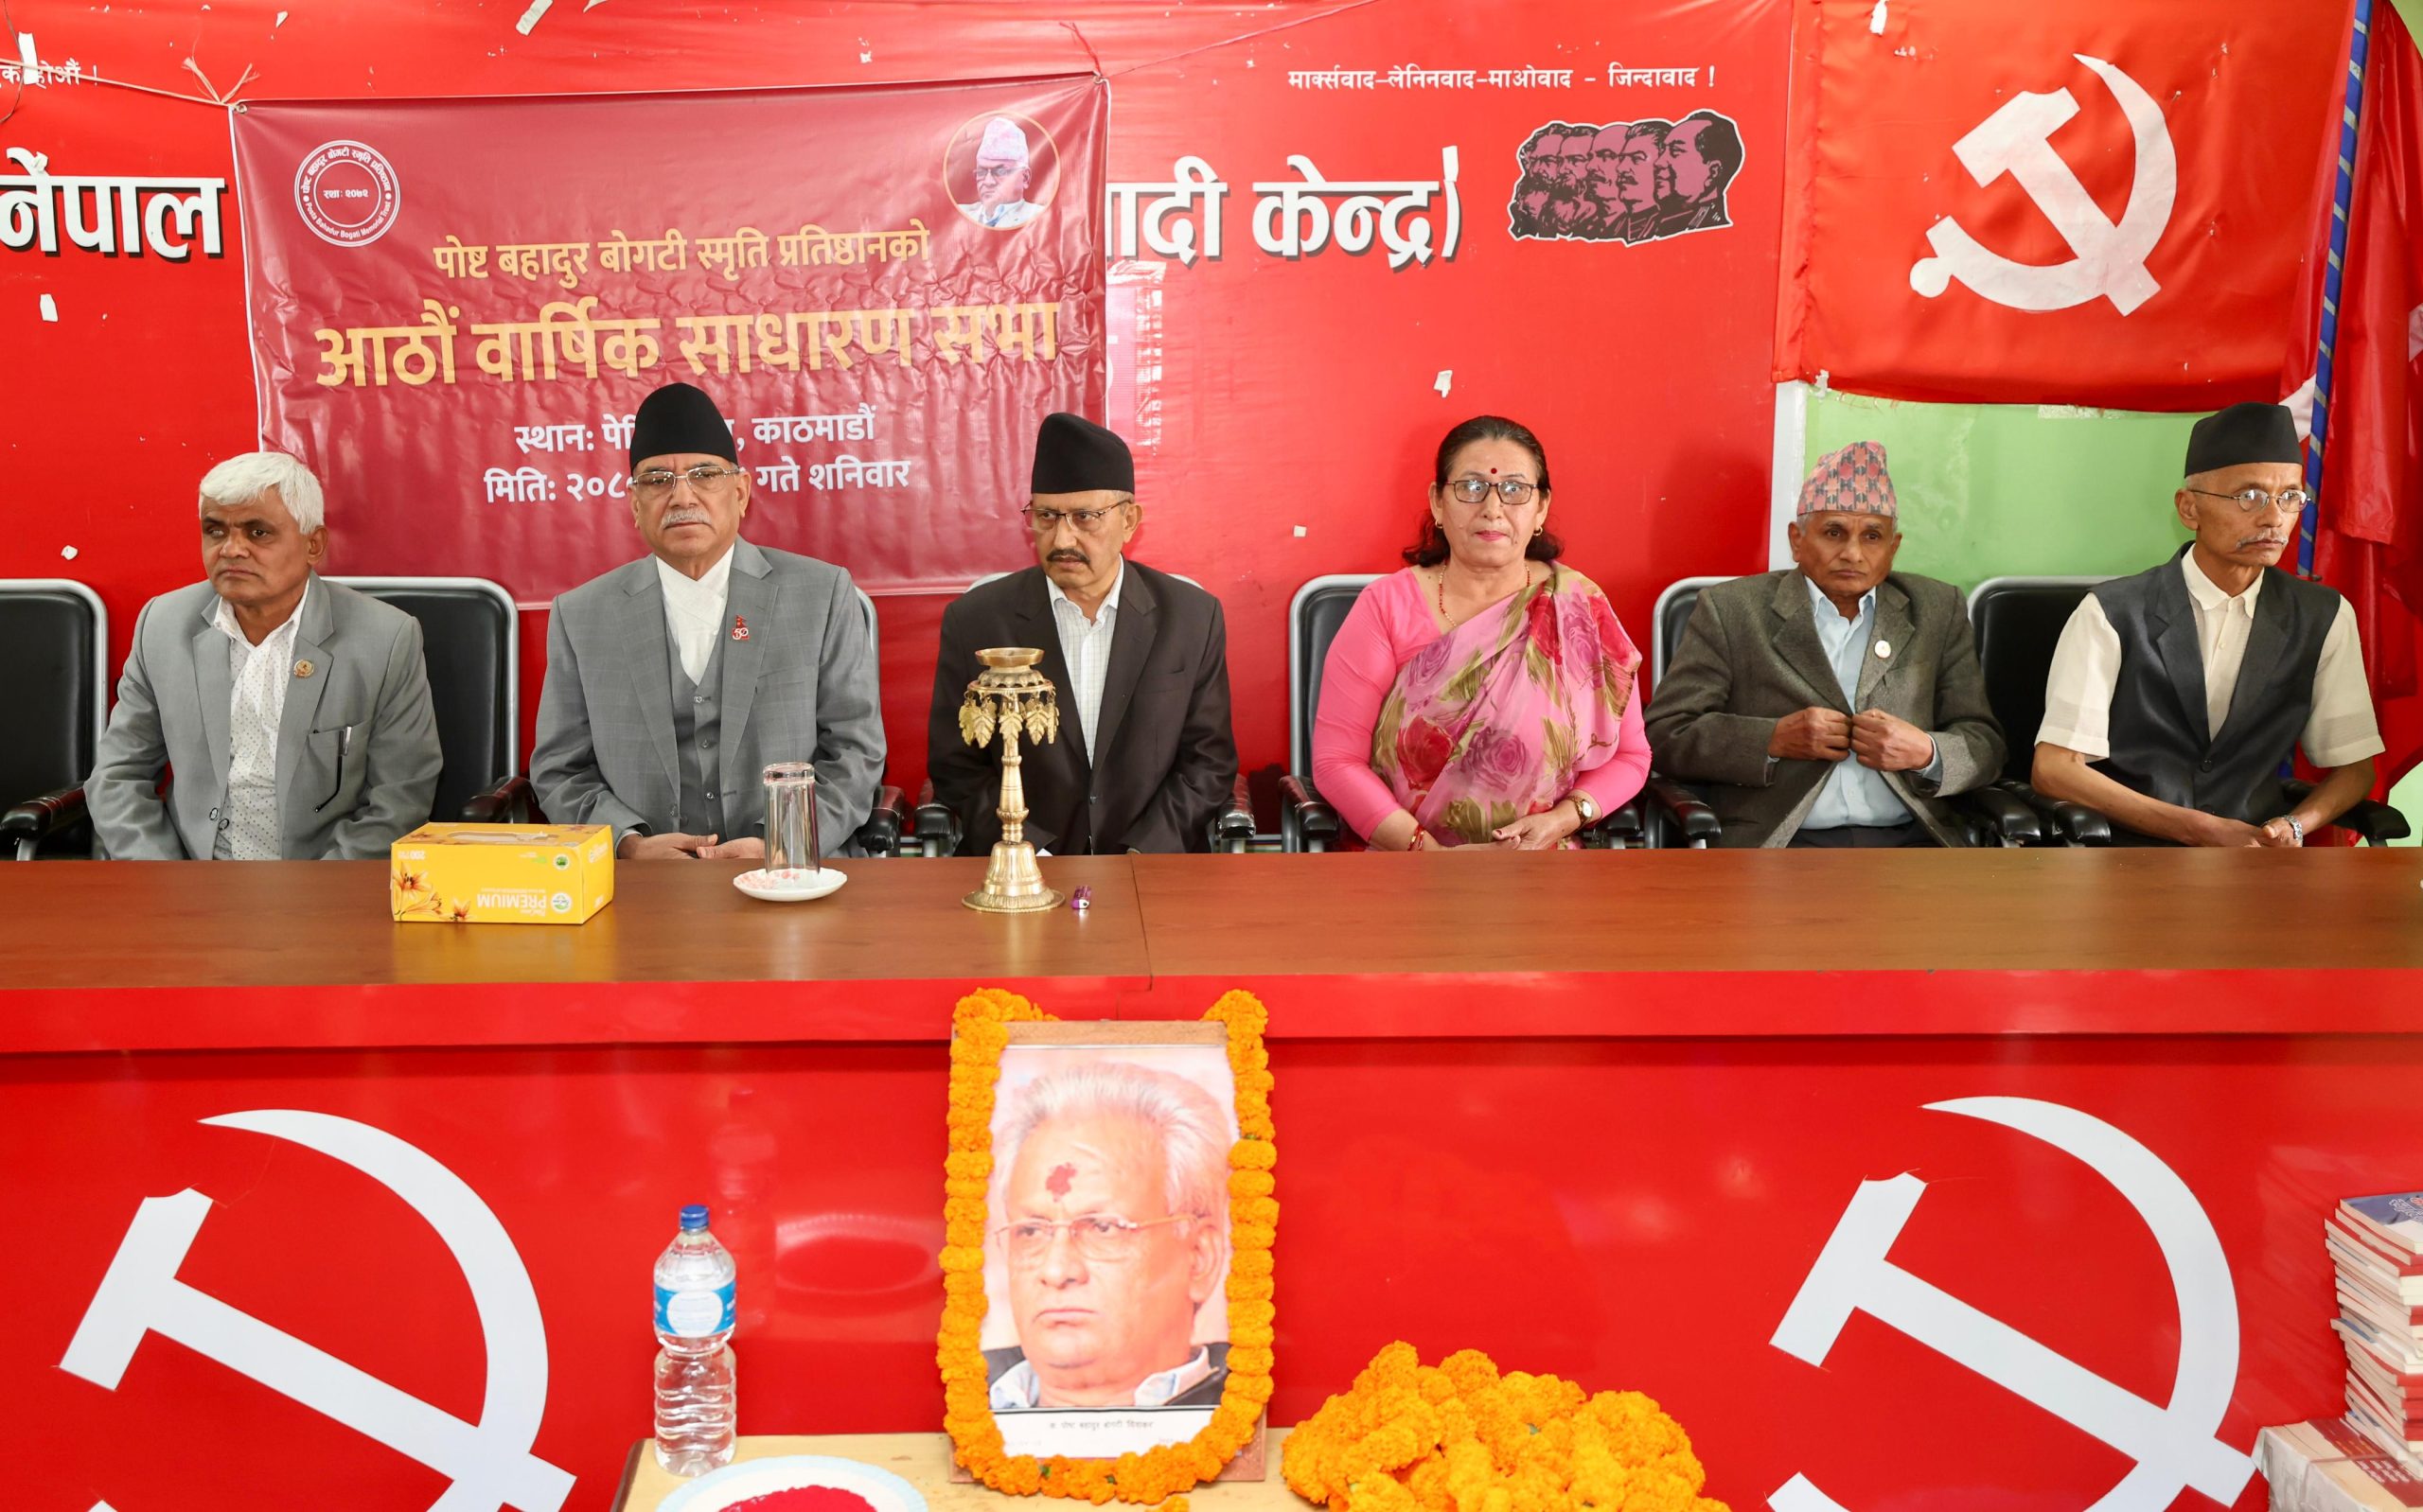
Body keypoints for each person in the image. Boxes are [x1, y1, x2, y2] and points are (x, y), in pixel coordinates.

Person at [532, 380, 883, 859]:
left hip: (793, 870)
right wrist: (629, 845)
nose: (682, 497)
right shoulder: (582, 615)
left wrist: (779, 843)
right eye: (657, 480)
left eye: (704, 475)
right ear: (635, 505)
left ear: (741, 492)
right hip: (644, 884)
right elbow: (560, 770)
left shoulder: (821, 595)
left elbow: (855, 753)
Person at [2033, 402, 2383, 846]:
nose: (2274, 518)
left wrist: (2294, 826)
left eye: (2290, 497)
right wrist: (2200, 829)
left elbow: (2355, 768)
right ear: (2189, 509)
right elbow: (2055, 769)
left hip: (2254, 857)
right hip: (2126, 856)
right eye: (2250, 497)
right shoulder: (2112, 612)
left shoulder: (2323, 615)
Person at [1311, 415, 1650, 850]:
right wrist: (1425, 853)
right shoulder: (1386, 606)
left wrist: (1563, 820)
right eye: (1471, 487)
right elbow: (1337, 761)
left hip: (1543, 864)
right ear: (1437, 502)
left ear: (1541, 507)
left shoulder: (1579, 606)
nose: (1492, 508)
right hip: (1403, 867)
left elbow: (1630, 755)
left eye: (1514, 489)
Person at [1646, 441, 2007, 847]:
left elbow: (1984, 744)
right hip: (1780, 843)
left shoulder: (1937, 610)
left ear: (1893, 548)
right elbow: (1668, 734)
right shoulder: (1732, 610)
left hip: (1912, 839)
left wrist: (1927, 752)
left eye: (1872, 536)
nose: (1852, 553)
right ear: (1797, 540)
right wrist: (1771, 739)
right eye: (1834, 533)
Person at [87, 451, 442, 859]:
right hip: (188, 875)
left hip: (323, 879)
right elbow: (118, 777)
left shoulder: (384, 639)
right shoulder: (163, 625)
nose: (231, 549)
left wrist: (318, 892)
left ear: (313, 545)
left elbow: (399, 798)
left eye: (258, 533)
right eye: (215, 531)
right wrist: (164, 876)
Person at [926, 413, 1237, 855]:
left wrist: (1143, 855)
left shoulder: (1190, 618)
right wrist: (1028, 852)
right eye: (1046, 516)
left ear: (1129, 520)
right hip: (1019, 867)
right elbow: (956, 766)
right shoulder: (977, 620)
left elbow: (1208, 763)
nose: (1061, 539)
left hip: (1154, 865)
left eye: (1085, 517)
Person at [987, 1061, 1234, 1411]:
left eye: (1103, 1228)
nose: (1056, 1271)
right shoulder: (947, 1402)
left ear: (1199, 1258)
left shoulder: (1251, 1414)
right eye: (1032, 1231)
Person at [1654, 111, 1742, 237]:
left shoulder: (1710, 232)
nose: (1658, 162)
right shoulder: (1665, 226)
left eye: (1675, 151)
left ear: (1713, 172)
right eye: (1662, 151)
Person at [956, 115, 1043, 230]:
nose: (988, 182)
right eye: (981, 172)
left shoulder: (1041, 218)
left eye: (1001, 172)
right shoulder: (957, 215)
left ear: (1025, 177)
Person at [1613, 120, 1671, 243]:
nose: (1621, 168)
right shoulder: (1613, 229)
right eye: (1622, 159)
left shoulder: (1672, 227)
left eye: (1636, 158)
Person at [1580, 121, 1634, 239]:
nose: (1590, 166)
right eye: (1590, 157)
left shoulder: (1636, 229)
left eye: (1606, 156)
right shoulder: (1583, 226)